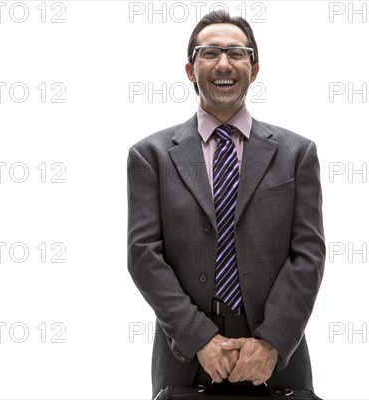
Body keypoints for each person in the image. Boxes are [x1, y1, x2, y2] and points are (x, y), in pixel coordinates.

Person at [127, 10, 325, 398]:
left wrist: (270, 344)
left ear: (254, 69)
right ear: (189, 69)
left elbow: (308, 255)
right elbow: (143, 255)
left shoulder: (297, 153)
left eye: (236, 53)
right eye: (210, 52)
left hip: (279, 367)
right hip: (185, 364)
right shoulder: (150, 156)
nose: (223, 63)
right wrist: (199, 338)